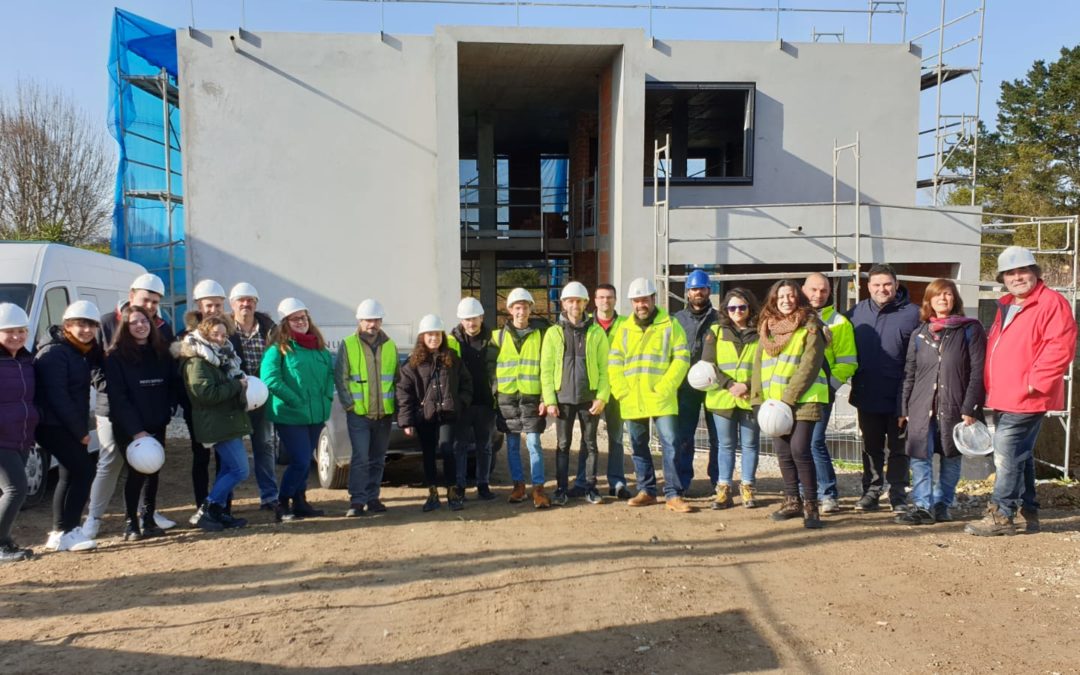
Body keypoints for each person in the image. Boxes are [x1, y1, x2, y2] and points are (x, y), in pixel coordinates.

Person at [966, 246, 1077, 536]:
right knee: (1021, 454)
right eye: (1010, 273)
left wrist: (1034, 383)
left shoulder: (1051, 303)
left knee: (1005, 453)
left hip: (1027, 396)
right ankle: (1030, 513)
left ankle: (1001, 515)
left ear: (1035, 273)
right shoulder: (1008, 304)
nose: (1017, 277)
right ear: (1003, 277)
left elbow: (1060, 346)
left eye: (1023, 271)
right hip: (1005, 394)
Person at [84, 272, 177, 538]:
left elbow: (168, 372)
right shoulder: (104, 323)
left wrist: (167, 407)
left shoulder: (161, 329)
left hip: (149, 408)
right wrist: (112, 387)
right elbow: (95, 367)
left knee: (150, 461)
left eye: (155, 303)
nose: (150, 307)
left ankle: (147, 514)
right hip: (113, 405)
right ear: (131, 294)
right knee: (111, 460)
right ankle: (94, 517)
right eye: (146, 299)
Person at [897, 279, 986, 525]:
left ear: (955, 299)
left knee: (951, 457)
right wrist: (903, 408)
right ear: (929, 301)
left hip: (956, 406)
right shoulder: (919, 334)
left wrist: (971, 406)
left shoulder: (970, 329)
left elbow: (978, 371)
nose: (943, 299)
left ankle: (942, 504)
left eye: (948, 294)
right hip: (920, 407)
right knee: (919, 457)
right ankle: (923, 507)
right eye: (937, 295)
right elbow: (910, 373)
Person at [608, 277, 692, 513]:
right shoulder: (624, 329)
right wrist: (621, 390)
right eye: (636, 301)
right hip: (633, 397)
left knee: (672, 445)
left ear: (653, 299)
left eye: (644, 299)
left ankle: (673, 494)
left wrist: (666, 386)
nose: (640, 305)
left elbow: (682, 358)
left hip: (661, 396)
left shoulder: (670, 325)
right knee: (638, 446)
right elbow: (614, 363)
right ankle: (646, 491)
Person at [751, 280, 828, 529]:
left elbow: (810, 364)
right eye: (781, 296)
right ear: (774, 300)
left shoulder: (810, 325)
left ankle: (811, 505)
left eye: (791, 296)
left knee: (800, 450)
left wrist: (789, 397)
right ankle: (791, 500)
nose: (786, 300)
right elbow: (757, 368)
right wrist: (758, 401)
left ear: (799, 299)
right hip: (774, 403)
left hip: (803, 399)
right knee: (783, 453)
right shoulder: (766, 329)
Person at [847, 263, 920, 512]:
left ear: (896, 285)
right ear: (868, 287)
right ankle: (871, 491)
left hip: (901, 398)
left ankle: (898, 494)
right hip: (867, 394)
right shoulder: (855, 314)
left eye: (887, 284)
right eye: (876, 285)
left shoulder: (913, 314)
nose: (882, 289)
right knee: (871, 448)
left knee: (899, 450)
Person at [34, 300, 104, 552]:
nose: (87, 330)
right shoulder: (54, 353)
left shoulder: (78, 350)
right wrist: (81, 432)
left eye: (91, 325)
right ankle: (70, 529)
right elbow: (58, 397)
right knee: (84, 471)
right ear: (67, 326)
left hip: (63, 423)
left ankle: (59, 532)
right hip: (53, 425)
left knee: (68, 474)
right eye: (81, 324)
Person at [104, 305, 178, 541]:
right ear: (125, 327)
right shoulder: (115, 357)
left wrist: (169, 408)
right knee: (136, 472)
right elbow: (118, 398)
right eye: (134, 322)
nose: (140, 325)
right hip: (130, 427)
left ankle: (148, 518)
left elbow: (170, 385)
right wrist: (137, 432)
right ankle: (130, 522)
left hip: (156, 422)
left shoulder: (161, 352)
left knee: (154, 470)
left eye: (144, 321)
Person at [175, 315, 252, 531]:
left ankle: (218, 513)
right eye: (215, 334)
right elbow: (204, 394)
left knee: (228, 469)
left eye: (223, 335)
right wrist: (237, 386)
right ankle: (207, 509)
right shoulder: (196, 361)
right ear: (204, 334)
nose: (220, 339)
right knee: (240, 470)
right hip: (217, 424)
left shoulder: (223, 358)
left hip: (227, 421)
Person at [261, 298, 334, 522]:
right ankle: (282, 503)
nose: (301, 322)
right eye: (295, 319)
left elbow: (329, 375)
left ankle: (300, 501)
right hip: (290, 415)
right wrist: (295, 400)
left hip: (315, 414)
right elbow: (270, 379)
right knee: (301, 460)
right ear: (285, 322)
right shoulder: (278, 349)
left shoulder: (318, 348)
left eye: (303, 317)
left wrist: (327, 397)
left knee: (304, 460)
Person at [540, 281, 610, 505]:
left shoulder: (596, 332)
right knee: (562, 445)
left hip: (589, 398)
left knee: (590, 444)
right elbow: (547, 369)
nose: (575, 305)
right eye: (570, 301)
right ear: (563, 304)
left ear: (585, 303)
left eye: (578, 301)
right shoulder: (553, 333)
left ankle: (589, 487)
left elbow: (605, 367)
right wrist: (550, 400)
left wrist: (601, 397)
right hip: (562, 400)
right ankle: (561, 489)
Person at [397, 314, 473, 512]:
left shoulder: (453, 359)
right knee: (428, 453)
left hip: (448, 414)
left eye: (437, 334)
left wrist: (461, 403)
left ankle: (452, 491)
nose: (434, 338)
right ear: (422, 336)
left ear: (442, 336)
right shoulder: (411, 365)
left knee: (447, 449)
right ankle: (432, 493)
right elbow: (404, 393)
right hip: (425, 417)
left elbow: (467, 383)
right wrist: (407, 421)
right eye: (429, 334)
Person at [336, 299, 398, 517]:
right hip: (359, 414)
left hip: (383, 414)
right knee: (361, 458)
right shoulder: (348, 344)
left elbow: (396, 379)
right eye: (367, 320)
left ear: (381, 321)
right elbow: (341, 377)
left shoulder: (390, 345)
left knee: (378, 458)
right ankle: (357, 501)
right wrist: (350, 405)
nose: (372, 324)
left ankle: (373, 498)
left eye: (375, 320)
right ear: (360, 321)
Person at [802, 273, 858, 514]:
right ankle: (805, 494)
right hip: (795, 394)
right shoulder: (793, 318)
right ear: (803, 290)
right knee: (798, 445)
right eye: (813, 289)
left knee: (814, 443)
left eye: (823, 290)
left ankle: (828, 494)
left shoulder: (839, 322)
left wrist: (829, 386)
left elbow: (847, 362)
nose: (818, 295)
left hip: (821, 394)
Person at [490, 288, 550, 508]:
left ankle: (539, 489)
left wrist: (545, 397)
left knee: (534, 443)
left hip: (531, 397)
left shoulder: (541, 336)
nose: (521, 311)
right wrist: (495, 392)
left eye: (525, 307)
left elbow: (546, 369)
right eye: (517, 307)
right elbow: (489, 367)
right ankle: (518, 487)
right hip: (507, 399)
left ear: (531, 309)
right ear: (510, 310)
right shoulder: (498, 337)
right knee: (512, 445)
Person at [701, 288, 761, 510]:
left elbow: (764, 365)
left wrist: (746, 385)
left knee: (750, 445)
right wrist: (730, 385)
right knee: (725, 445)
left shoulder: (760, 332)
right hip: (723, 397)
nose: (737, 311)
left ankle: (747, 487)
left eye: (742, 307)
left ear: (749, 308)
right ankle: (723, 488)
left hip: (750, 396)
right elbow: (708, 364)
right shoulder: (715, 331)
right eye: (732, 307)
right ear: (726, 309)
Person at [178, 279, 232, 520]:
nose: (214, 310)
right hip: (198, 408)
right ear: (199, 305)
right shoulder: (186, 337)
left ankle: (223, 506)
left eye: (218, 305)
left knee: (226, 460)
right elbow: (180, 375)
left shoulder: (230, 334)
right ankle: (203, 505)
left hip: (226, 407)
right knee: (201, 458)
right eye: (209, 305)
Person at [228, 282, 279, 512]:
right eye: (241, 300)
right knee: (231, 449)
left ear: (256, 303)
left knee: (265, 446)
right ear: (233, 304)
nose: (245, 304)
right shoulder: (224, 329)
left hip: (262, 399)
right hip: (233, 400)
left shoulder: (270, 330)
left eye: (250, 300)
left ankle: (269, 496)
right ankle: (226, 501)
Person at [673, 269, 720, 495]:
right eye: (693, 289)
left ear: (709, 290)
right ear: (687, 292)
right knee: (684, 436)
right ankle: (682, 482)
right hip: (686, 388)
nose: (697, 292)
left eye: (701, 288)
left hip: (715, 386)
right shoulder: (677, 321)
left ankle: (719, 482)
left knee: (718, 436)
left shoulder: (721, 319)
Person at [447, 297, 497, 501]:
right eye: (467, 319)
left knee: (484, 446)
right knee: (460, 445)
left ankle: (483, 484)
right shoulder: (451, 341)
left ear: (482, 317)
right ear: (461, 320)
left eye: (474, 318)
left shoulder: (494, 339)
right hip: (462, 403)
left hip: (485, 402)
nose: (471, 323)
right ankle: (459, 485)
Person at [0, 303, 38, 562]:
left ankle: (5, 539)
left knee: (7, 492)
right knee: (16, 489)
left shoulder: (26, 361)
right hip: (1, 438)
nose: (16, 336)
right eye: (9, 331)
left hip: (22, 436)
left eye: (21, 330)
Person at [590, 283, 630, 498]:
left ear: (615, 300)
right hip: (592, 392)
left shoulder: (626, 324)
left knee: (616, 438)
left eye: (610, 297)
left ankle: (617, 482)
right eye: (602, 297)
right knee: (589, 440)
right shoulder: (587, 325)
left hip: (617, 390)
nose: (606, 301)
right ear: (595, 301)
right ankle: (588, 481)